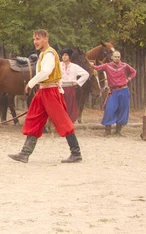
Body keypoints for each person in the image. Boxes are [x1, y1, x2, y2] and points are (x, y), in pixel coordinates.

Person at [8, 30, 82, 163]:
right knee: (34, 119)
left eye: (38, 38)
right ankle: (25, 153)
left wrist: (31, 83)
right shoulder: (43, 54)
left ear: (46, 39)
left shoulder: (49, 54)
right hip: (43, 92)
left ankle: (76, 153)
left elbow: (46, 72)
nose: (35, 41)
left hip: (50, 92)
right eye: (34, 39)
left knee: (62, 120)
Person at [94, 50, 137, 136]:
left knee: (123, 109)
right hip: (113, 91)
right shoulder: (107, 66)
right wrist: (91, 65)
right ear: (112, 57)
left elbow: (133, 72)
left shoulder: (124, 66)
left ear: (120, 58)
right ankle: (107, 130)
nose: (117, 58)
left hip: (124, 90)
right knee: (109, 109)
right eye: (115, 56)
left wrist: (128, 79)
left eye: (118, 57)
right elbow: (97, 68)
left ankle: (118, 131)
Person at [59, 48, 89, 123]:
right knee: (60, 107)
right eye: (63, 55)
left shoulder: (74, 66)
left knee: (70, 107)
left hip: (70, 88)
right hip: (60, 88)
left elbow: (86, 74)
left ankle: (69, 124)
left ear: (69, 57)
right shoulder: (57, 65)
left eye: (66, 55)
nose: (64, 57)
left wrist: (78, 82)